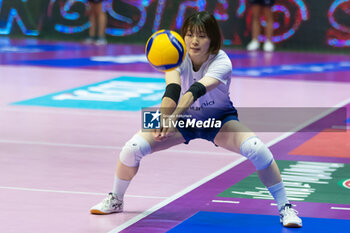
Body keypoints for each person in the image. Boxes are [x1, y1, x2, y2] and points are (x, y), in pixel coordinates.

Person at [90, 11, 302, 228]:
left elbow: (195, 90)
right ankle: (116, 199)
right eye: (190, 35)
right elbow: (172, 91)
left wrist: (172, 118)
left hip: (218, 120)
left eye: (201, 35)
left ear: (212, 39)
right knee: (132, 148)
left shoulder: (222, 61)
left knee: (257, 149)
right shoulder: (176, 57)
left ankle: (286, 207)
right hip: (183, 120)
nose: (194, 41)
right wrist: (165, 119)